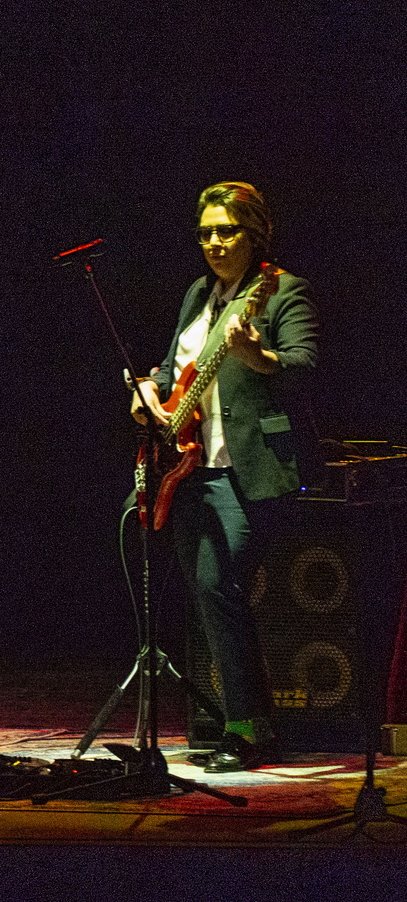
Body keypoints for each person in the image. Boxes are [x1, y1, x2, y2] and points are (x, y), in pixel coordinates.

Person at [130, 181, 318, 772]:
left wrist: (258, 357)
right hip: (189, 468)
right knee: (209, 595)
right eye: (205, 232)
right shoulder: (197, 294)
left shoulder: (282, 292)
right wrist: (149, 393)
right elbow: (172, 368)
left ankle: (247, 729)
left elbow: (305, 367)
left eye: (226, 231)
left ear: (253, 233)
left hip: (248, 472)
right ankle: (248, 723)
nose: (213, 242)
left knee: (217, 585)